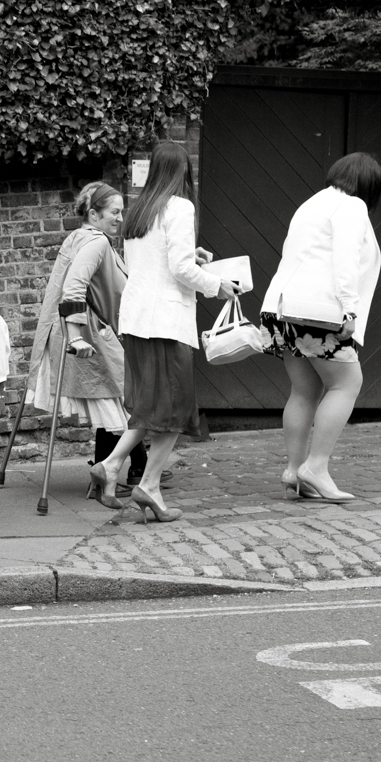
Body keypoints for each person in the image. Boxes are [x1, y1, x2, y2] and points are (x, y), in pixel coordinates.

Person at [95, 142, 241, 522]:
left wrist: (193, 255)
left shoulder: (139, 211)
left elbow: (154, 261)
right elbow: (178, 269)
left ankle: (115, 467)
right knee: (176, 409)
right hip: (165, 322)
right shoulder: (179, 207)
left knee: (152, 406)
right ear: (183, 172)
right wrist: (217, 284)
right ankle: (146, 484)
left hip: (137, 318)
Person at [261, 152, 381, 503]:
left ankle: (294, 469)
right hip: (318, 311)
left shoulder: (312, 203)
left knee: (303, 390)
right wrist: (350, 310)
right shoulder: (352, 206)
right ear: (370, 186)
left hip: (282, 307)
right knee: (348, 383)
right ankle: (315, 467)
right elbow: (344, 259)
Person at [28, 180, 145, 500]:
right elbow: (74, 289)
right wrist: (77, 335)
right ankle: (121, 471)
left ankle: (127, 468)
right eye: (114, 212)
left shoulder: (82, 238)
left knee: (113, 400)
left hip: (89, 331)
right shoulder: (95, 243)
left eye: (122, 212)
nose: (120, 218)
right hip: (89, 334)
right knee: (123, 397)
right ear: (93, 214)